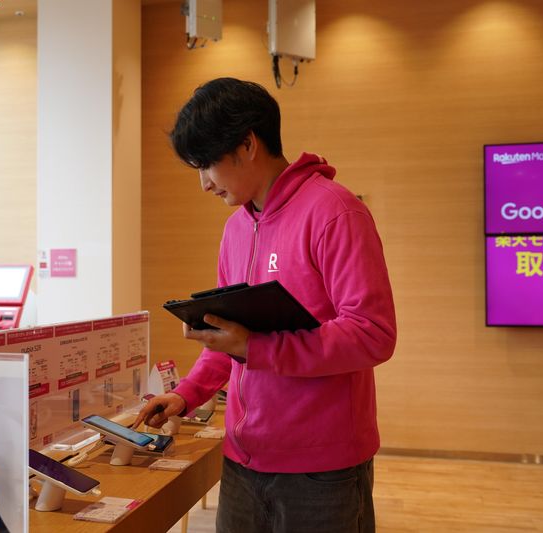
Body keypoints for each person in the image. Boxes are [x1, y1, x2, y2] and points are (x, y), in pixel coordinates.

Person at [134, 77, 396, 533]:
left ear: (247, 144)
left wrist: (257, 348)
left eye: (207, 164)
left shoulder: (335, 212)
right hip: (243, 461)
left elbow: (372, 333)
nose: (203, 184)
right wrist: (186, 394)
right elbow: (229, 337)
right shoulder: (236, 229)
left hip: (323, 472)